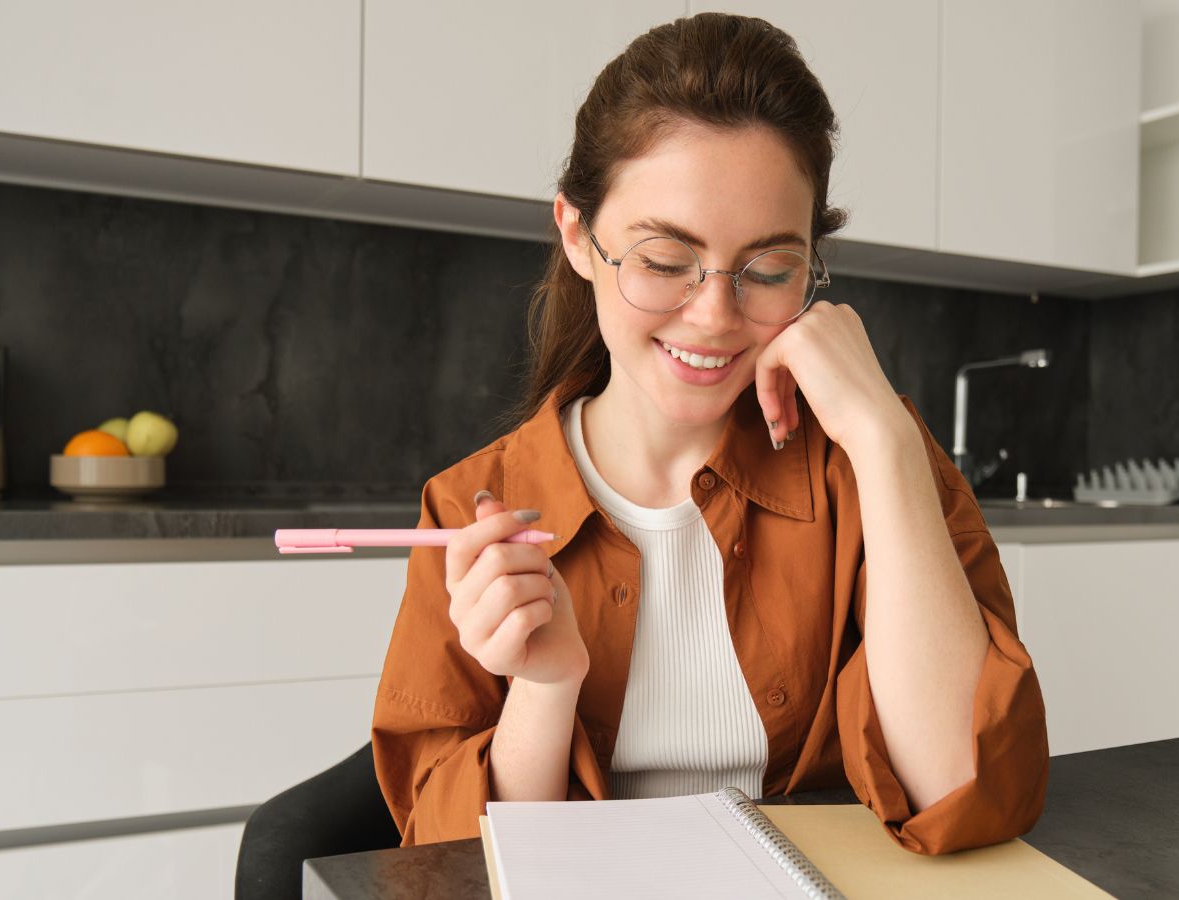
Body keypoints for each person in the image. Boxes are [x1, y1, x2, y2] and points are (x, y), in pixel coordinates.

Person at [371, 12, 1047, 855]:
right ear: (578, 235)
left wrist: (881, 434)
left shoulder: (868, 460)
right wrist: (546, 688)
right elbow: (446, 861)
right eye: (663, 261)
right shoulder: (470, 507)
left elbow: (967, 794)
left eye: (770, 270)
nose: (717, 317)